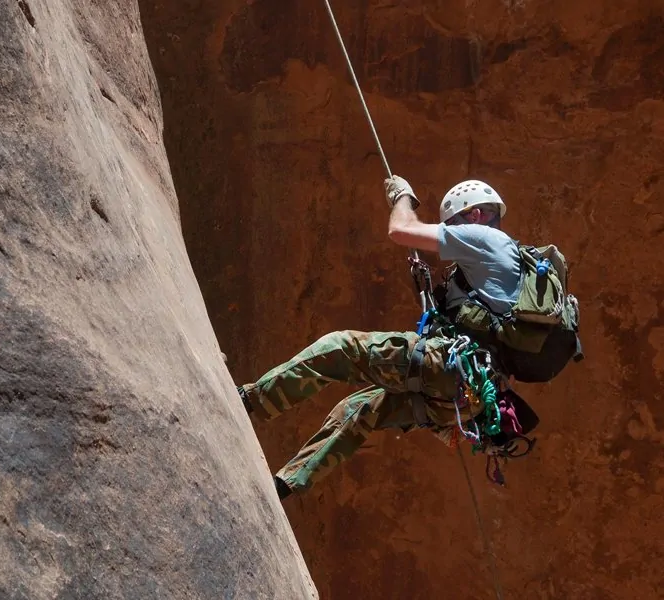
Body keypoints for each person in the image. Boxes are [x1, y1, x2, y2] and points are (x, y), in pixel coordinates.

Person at [237, 176, 582, 499]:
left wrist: (403, 197)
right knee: (360, 410)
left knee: (340, 348)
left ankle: (249, 401)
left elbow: (401, 230)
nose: (451, 234)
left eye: (453, 225)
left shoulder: (485, 238)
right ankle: (286, 485)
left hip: (452, 371)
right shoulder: (502, 265)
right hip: (466, 397)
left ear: (475, 215)